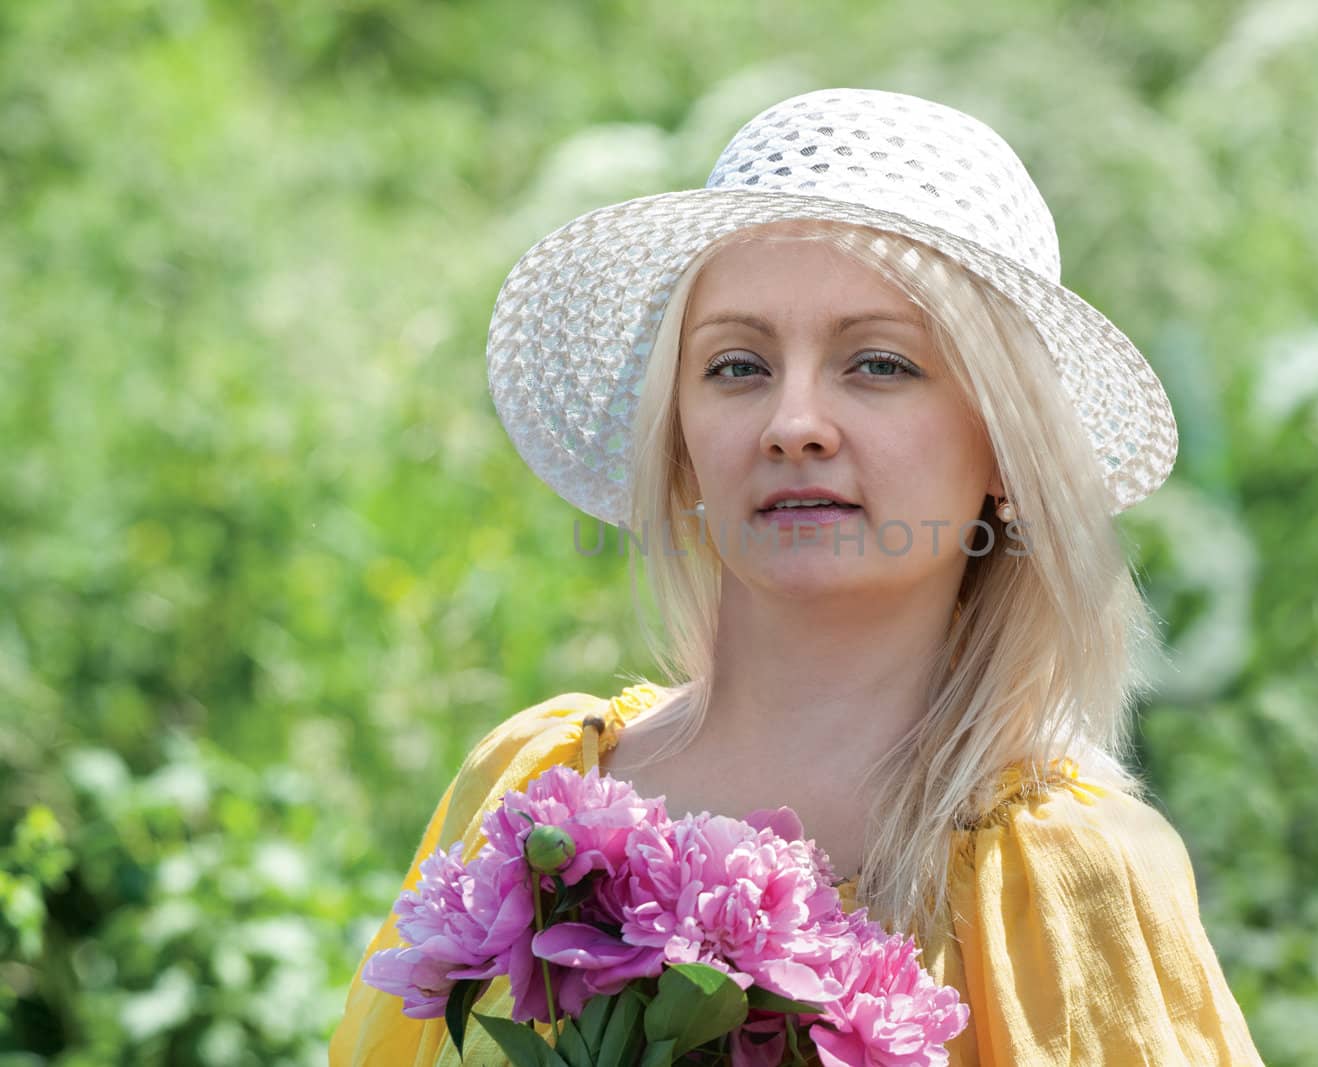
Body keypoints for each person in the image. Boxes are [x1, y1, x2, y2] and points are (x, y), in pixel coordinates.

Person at [330, 87, 1265, 1065]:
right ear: (681, 443)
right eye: (736, 365)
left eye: (878, 364)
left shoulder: (1065, 875)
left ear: (1003, 453)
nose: (793, 422)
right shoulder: (536, 793)